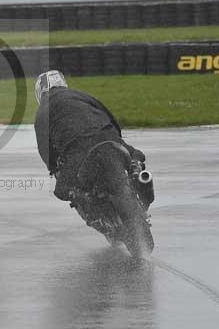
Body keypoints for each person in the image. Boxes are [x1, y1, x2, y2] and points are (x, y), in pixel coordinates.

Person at [33, 70, 153, 236]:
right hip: (108, 138)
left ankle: (98, 216)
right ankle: (138, 173)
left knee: (62, 190)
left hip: (78, 149)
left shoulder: (42, 111)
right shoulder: (81, 95)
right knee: (137, 156)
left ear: (40, 92)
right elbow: (109, 116)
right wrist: (118, 140)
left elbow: (44, 148)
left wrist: (53, 168)